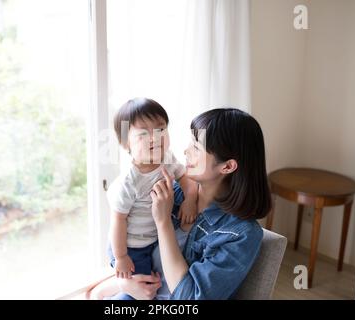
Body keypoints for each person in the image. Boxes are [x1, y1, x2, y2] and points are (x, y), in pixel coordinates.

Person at [88, 107, 272, 300]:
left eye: (196, 147)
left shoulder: (241, 234)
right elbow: (127, 232)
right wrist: (124, 283)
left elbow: (190, 299)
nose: (185, 151)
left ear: (227, 166)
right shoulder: (172, 192)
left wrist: (163, 223)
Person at [103, 98, 199, 300]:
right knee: (143, 289)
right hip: (129, 245)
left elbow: (186, 179)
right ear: (125, 142)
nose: (155, 138)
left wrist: (190, 199)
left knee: (151, 284)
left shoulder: (168, 158)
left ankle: (109, 288)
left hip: (152, 239)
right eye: (144, 133)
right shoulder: (129, 182)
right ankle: (106, 290)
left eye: (161, 129)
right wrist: (121, 257)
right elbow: (118, 221)